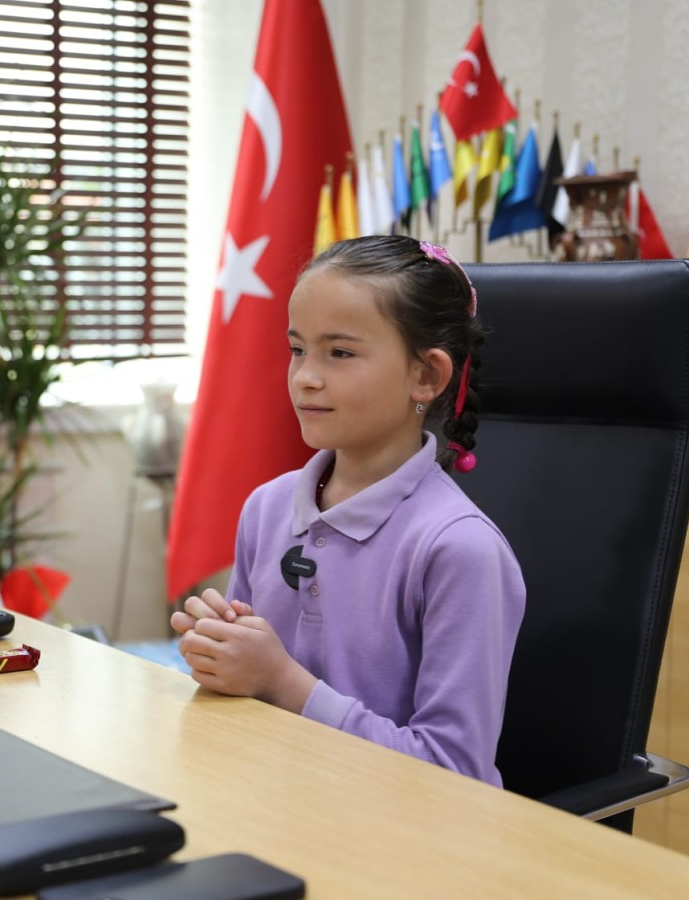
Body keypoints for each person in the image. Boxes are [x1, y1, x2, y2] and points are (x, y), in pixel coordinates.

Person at [171, 234, 525, 786]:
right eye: (297, 349)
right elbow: (245, 703)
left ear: (426, 377)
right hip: (274, 798)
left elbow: (455, 774)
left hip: (396, 829)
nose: (305, 377)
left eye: (339, 353)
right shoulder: (266, 509)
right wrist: (222, 654)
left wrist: (282, 681)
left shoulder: (461, 550)